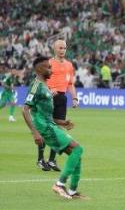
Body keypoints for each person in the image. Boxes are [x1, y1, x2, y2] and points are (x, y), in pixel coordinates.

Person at [22, 57, 87, 200]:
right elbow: (25, 109)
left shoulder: (45, 86)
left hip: (50, 124)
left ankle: (72, 191)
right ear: (39, 69)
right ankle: (60, 184)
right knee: (78, 149)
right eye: (48, 67)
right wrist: (35, 132)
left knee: (76, 155)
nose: (51, 70)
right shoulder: (35, 85)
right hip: (45, 128)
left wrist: (61, 122)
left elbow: (45, 114)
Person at [38, 39, 79, 172]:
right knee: (46, 128)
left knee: (58, 129)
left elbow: (70, 84)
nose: (62, 50)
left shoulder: (69, 65)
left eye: (64, 48)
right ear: (54, 49)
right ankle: (40, 159)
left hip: (61, 98)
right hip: (48, 98)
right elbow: (40, 80)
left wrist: (75, 98)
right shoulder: (49, 63)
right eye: (60, 48)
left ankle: (51, 160)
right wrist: (48, 90)